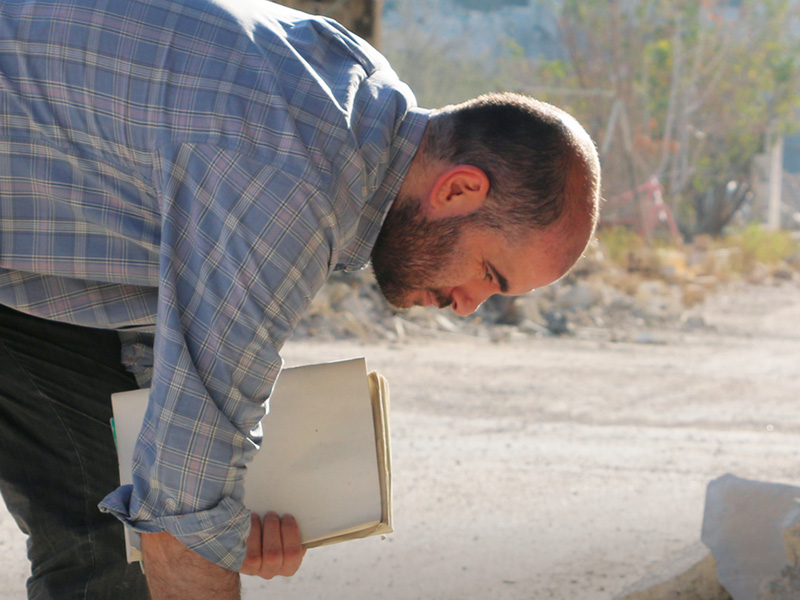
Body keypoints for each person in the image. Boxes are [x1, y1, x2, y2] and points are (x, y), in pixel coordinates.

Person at [0, 0, 600, 598]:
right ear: (459, 189)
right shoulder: (294, 185)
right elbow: (181, 508)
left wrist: (222, 511)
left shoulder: (355, 96)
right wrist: (201, 511)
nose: (468, 306)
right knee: (143, 539)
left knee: (119, 538)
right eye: (489, 275)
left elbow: (181, 392)